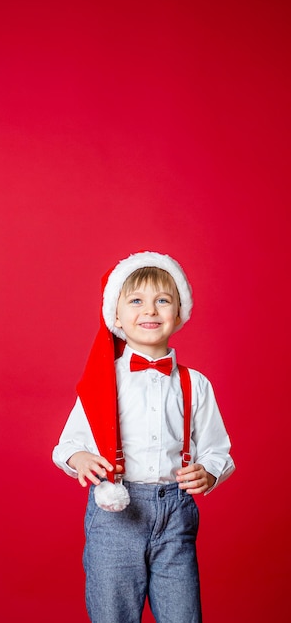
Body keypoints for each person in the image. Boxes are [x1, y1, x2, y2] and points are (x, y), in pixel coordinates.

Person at [52, 251, 235, 623]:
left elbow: (218, 450)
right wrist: (81, 459)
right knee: (112, 613)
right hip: (117, 516)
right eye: (136, 301)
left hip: (176, 516)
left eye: (162, 301)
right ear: (116, 316)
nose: (150, 311)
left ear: (180, 312)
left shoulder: (195, 384)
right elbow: (67, 444)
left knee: (182, 613)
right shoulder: (104, 380)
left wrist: (209, 473)